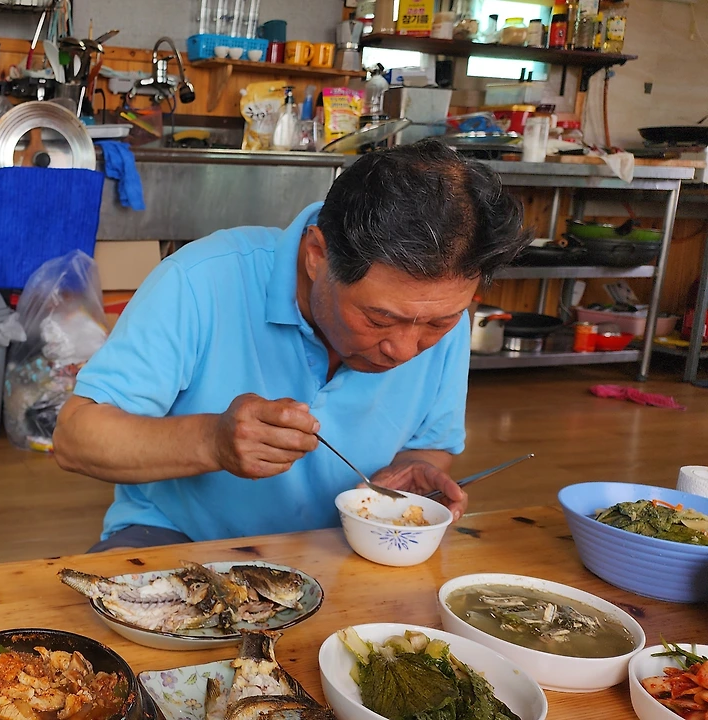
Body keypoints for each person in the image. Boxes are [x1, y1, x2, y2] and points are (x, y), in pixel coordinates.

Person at [52, 140, 531, 552]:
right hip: (180, 540)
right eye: (379, 319)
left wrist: (410, 474)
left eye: (439, 322)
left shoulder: (436, 313)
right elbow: (75, 438)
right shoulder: (201, 280)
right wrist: (211, 441)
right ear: (317, 256)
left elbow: (430, 446)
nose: (405, 350)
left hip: (346, 545)